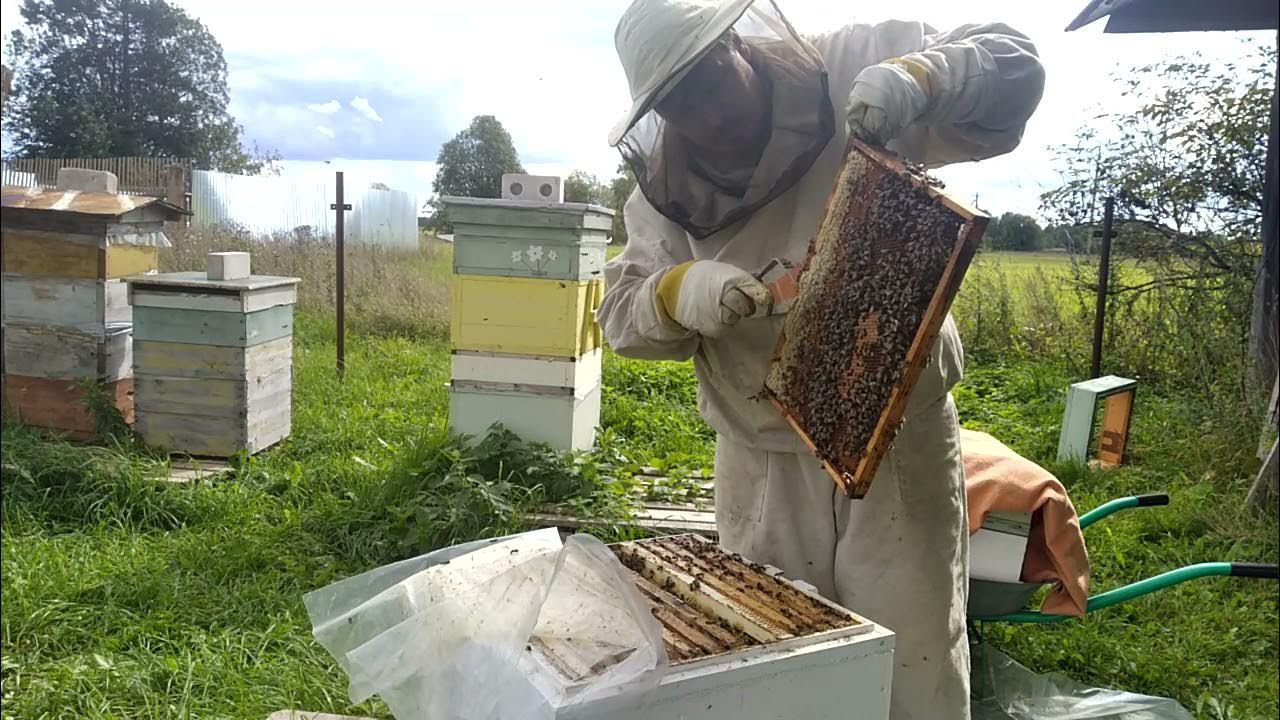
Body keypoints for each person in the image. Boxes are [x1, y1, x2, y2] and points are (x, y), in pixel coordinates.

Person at [598, 1, 1045, 718]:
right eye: (678, 105)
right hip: (761, 457)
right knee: (773, 664)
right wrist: (677, 292)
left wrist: (926, 77)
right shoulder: (662, 193)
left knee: (915, 658)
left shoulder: (849, 64)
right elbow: (619, 316)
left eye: (710, 82)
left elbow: (1014, 65)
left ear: (739, 47)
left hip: (897, 439)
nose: (707, 119)